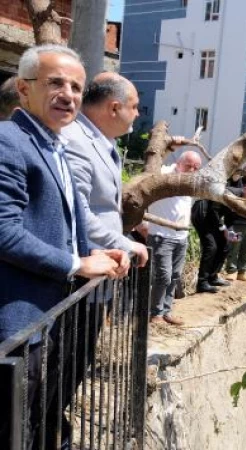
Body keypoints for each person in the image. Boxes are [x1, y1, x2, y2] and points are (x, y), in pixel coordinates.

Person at [0, 44, 128, 450]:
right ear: (24, 89)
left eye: (76, 86)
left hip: (46, 318)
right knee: (11, 429)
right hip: (17, 322)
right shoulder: (9, 141)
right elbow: (4, 232)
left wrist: (97, 253)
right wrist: (77, 264)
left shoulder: (51, 145)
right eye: (55, 82)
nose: (68, 94)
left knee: (32, 423)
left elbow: (69, 224)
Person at [62, 72, 149, 266]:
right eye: (134, 106)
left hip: (104, 262)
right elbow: (77, 210)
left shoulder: (104, 141)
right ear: (114, 108)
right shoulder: (76, 141)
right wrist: (123, 243)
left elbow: (103, 202)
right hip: (86, 263)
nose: (137, 114)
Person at [146, 151, 202, 326]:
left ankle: (167, 311)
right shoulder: (163, 175)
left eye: (195, 167)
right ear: (179, 162)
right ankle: (155, 313)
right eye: (189, 165)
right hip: (161, 235)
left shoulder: (190, 183)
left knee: (175, 275)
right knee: (163, 275)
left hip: (181, 237)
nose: (191, 170)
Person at [192, 197, 235, 294]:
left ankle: (213, 277)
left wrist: (230, 231)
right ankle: (202, 283)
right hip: (202, 212)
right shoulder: (235, 193)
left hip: (213, 217)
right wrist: (223, 228)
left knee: (225, 244)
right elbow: (214, 209)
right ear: (245, 189)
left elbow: (230, 218)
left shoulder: (242, 204)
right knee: (211, 247)